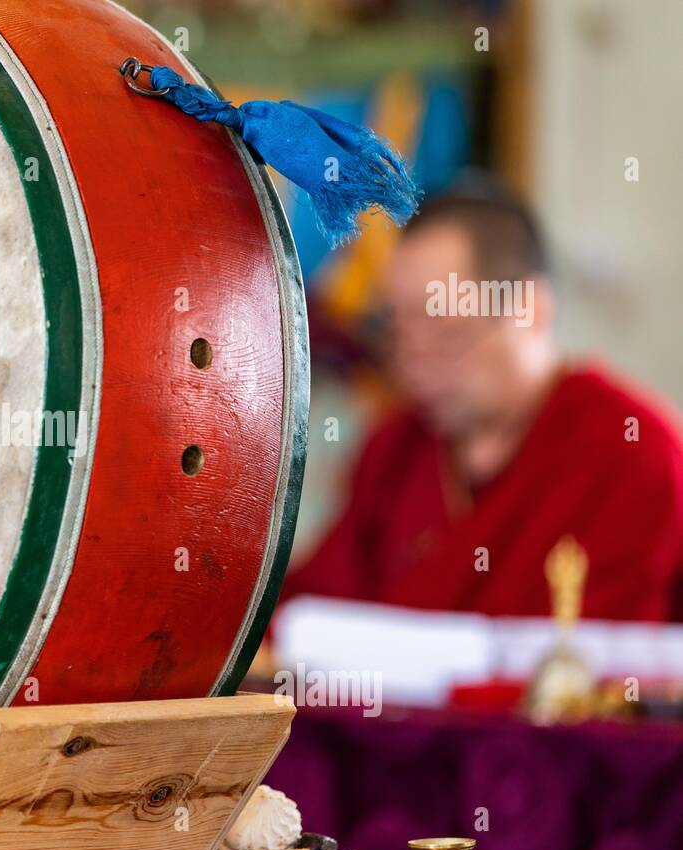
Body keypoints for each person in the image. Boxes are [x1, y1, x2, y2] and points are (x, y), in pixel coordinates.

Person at [283, 179, 683, 621]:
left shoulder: (633, 452)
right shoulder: (392, 452)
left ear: (532, 308)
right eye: (399, 335)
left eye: (447, 334)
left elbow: (625, 660)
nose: (418, 363)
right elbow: (309, 611)